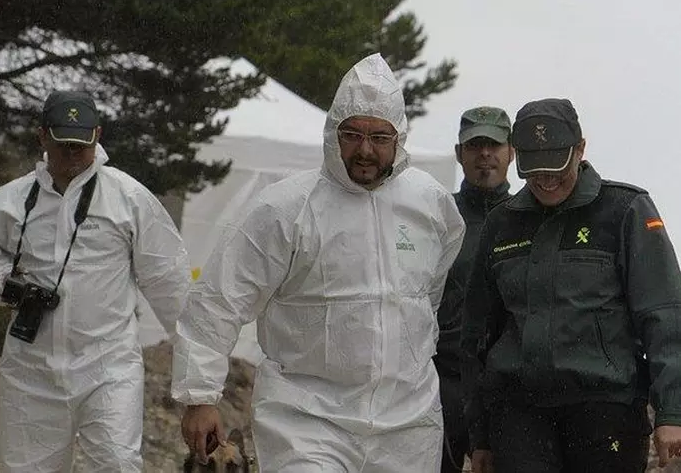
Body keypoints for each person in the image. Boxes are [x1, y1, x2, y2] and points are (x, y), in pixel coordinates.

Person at [171, 53, 466, 473]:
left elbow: (429, 291)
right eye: (353, 134)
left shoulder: (430, 203)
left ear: (399, 138)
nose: (365, 150)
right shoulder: (285, 207)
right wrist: (200, 396)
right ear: (332, 132)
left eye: (380, 137)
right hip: (306, 420)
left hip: (407, 424)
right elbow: (220, 298)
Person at [0, 90, 191, 472]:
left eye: (81, 145)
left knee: (117, 464)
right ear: (42, 136)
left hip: (108, 367)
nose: (73, 154)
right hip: (31, 371)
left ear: (98, 136)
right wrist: (6, 284)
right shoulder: (12, 201)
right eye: (63, 144)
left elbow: (172, 286)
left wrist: (199, 388)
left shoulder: (129, 199)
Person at [461, 98, 681, 473]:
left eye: (556, 168)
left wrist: (672, 411)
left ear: (580, 149)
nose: (546, 180)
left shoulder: (626, 210)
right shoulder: (501, 222)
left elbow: (664, 315)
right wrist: (479, 433)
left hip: (606, 410)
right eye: (535, 170)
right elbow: (478, 333)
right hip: (519, 415)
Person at [434, 106, 514, 473]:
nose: (485, 154)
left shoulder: (530, 217)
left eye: (494, 145)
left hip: (508, 387)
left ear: (512, 152)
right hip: (443, 381)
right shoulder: (437, 215)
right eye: (474, 145)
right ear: (458, 153)